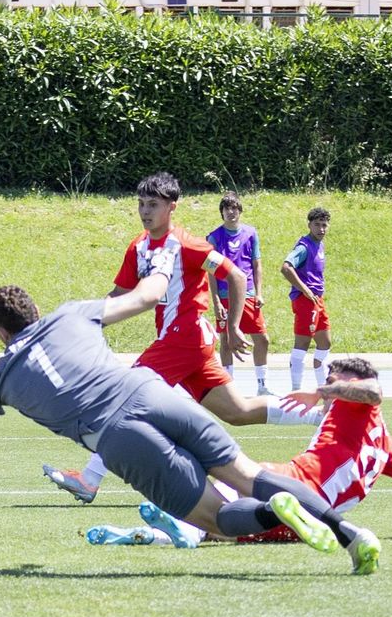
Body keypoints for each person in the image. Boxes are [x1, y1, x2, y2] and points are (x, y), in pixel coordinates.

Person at [0, 281, 382, 575]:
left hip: (118, 436)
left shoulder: (0, 380)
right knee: (247, 473)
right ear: (35, 311)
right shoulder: (70, 314)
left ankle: (274, 512)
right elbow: (146, 296)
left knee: (215, 521)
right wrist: (166, 256)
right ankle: (351, 534)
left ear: (0, 332)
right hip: (154, 392)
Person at [43, 173, 323, 504]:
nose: (145, 211)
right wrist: (85, 324)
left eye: (153, 205)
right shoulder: (139, 246)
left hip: (184, 336)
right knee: (239, 411)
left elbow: (234, 275)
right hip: (185, 344)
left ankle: (89, 479)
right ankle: (326, 416)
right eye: (141, 204)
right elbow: (120, 294)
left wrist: (232, 328)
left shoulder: (186, 244)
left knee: (124, 398)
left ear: (172, 207)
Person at [87, 357, 392, 548]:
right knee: (223, 527)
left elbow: (373, 391)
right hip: (313, 521)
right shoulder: (384, 444)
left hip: (290, 483)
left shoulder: (352, 403)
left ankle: (178, 530)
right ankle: (159, 535)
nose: (330, 382)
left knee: (222, 494)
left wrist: (325, 391)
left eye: (338, 378)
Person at [205, 191, 272, 396]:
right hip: (225, 295)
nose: (231, 212)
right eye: (226, 208)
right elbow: (210, 271)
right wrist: (215, 300)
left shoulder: (251, 233)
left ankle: (262, 386)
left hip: (248, 294)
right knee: (226, 341)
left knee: (262, 339)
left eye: (234, 208)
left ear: (240, 210)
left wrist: (259, 293)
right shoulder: (214, 237)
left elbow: (256, 264)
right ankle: (229, 387)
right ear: (222, 212)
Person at [282, 206, 332, 390]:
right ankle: (296, 389)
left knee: (325, 342)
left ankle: (323, 387)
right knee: (302, 342)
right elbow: (286, 267)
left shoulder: (320, 244)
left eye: (324, 225)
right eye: (317, 224)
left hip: (317, 299)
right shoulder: (304, 246)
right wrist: (304, 289)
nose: (321, 229)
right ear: (309, 225)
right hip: (305, 300)